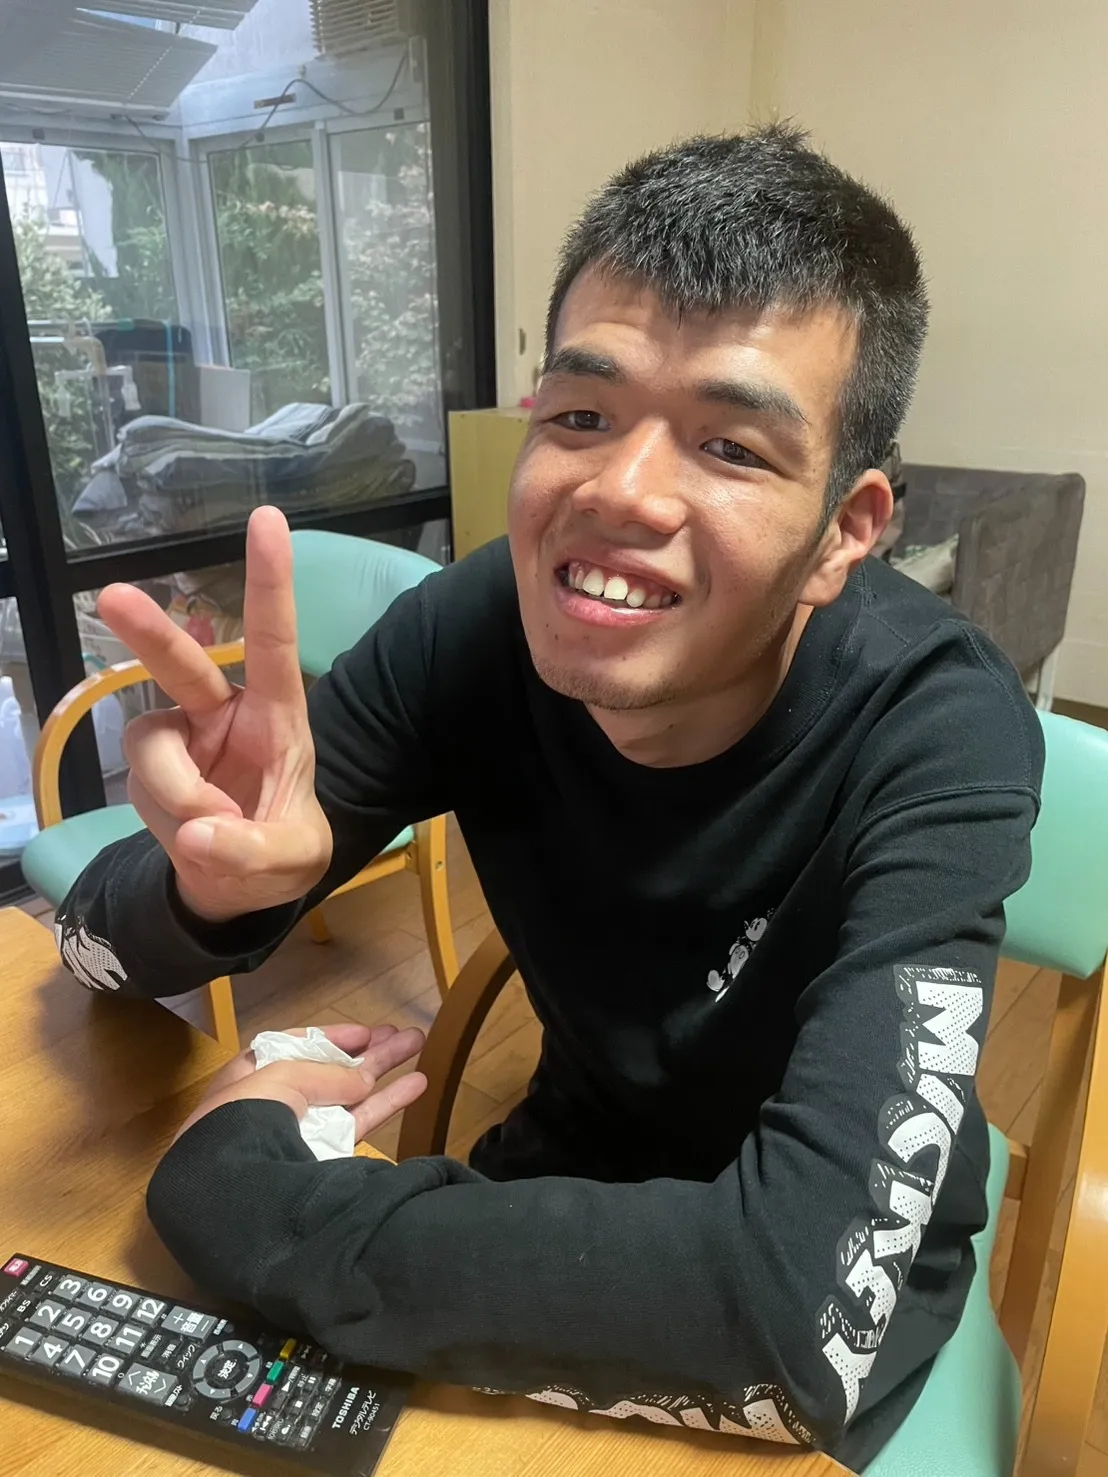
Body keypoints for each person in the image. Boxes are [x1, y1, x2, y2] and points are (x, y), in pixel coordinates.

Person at [55, 126, 1043, 1471]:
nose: (619, 492)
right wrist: (203, 891)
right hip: (560, 1192)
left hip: (829, 1251)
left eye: (732, 446)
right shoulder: (475, 629)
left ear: (846, 533)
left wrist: (238, 1196)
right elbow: (90, 945)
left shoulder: (937, 721)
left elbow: (800, 1317)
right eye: (582, 415)